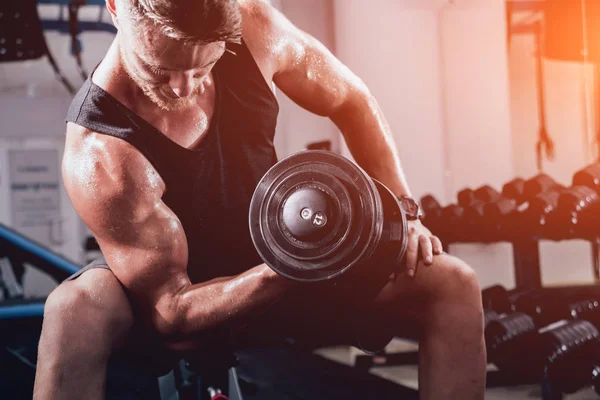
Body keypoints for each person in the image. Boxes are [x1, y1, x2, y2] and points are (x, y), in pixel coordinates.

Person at [33, 0, 486, 399]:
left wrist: (406, 212)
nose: (183, 88)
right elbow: (171, 309)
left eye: (202, 68)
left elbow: (351, 99)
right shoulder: (101, 150)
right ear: (116, 7)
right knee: (76, 308)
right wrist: (286, 266)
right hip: (181, 296)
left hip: (280, 254)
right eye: (161, 69)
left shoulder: (253, 29)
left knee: (451, 281)